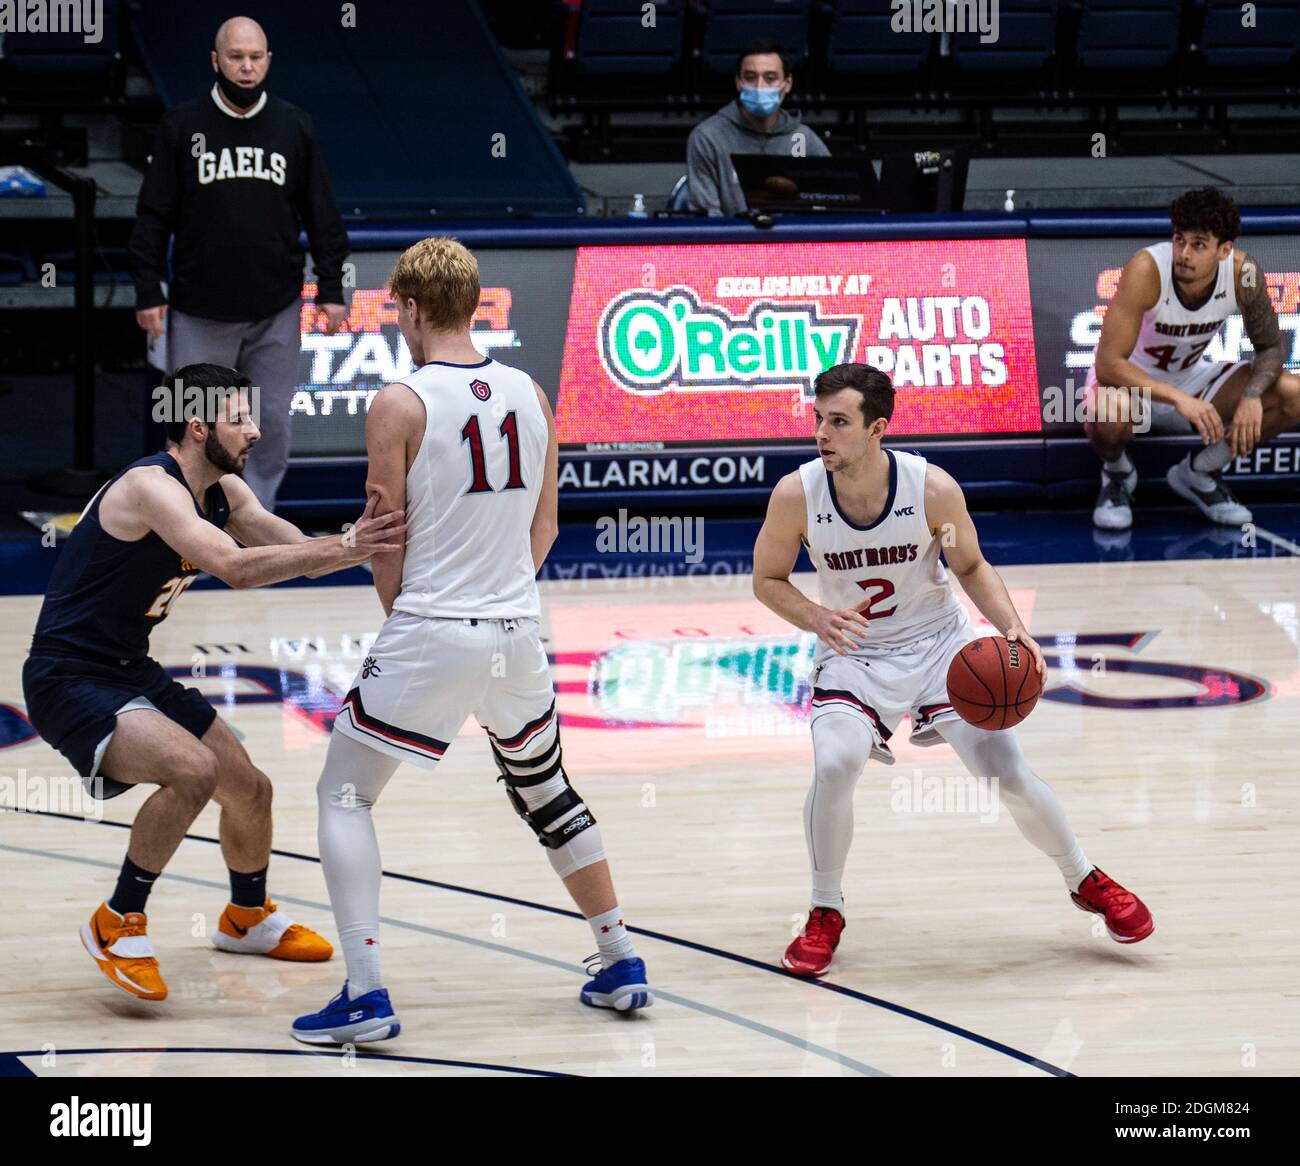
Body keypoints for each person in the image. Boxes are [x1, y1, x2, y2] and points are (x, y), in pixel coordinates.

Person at [291, 238, 653, 1045]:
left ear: (413, 309)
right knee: (547, 790)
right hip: (518, 629)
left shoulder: (400, 399)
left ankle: (366, 992)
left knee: (343, 792)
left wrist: (410, 617)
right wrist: (498, 598)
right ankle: (621, 956)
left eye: (398, 311)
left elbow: (383, 535)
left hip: (432, 625)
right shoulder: (529, 389)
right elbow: (548, 523)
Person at [752, 362, 1153, 977]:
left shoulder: (930, 488)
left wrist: (1011, 627)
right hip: (855, 651)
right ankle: (825, 909)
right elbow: (767, 580)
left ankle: (1083, 878)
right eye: (818, 420)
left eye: (838, 422)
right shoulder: (796, 494)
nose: (822, 434)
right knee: (835, 764)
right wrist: (815, 616)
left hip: (939, 645)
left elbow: (970, 567)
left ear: (877, 428)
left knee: (1006, 772)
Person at [20, 364, 404, 1002]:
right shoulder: (151, 488)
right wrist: (343, 548)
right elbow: (234, 566)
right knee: (194, 771)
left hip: (126, 667)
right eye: (239, 420)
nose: (255, 431)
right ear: (198, 427)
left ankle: (245, 918)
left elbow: (294, 552)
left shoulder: (224, 490)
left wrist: (366, 546)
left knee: (250, 790)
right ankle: (117, 923)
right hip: (68, 675)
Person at [128, 15, 351, 512]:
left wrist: (332, 287)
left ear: (268, 60)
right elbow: (153, 213)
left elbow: (322, 214)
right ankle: (187, 528)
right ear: (216, 60)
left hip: (276, 307)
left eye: (256, 57)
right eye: (236, 57)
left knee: (268, 424)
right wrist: (147, 287)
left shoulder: (294, 125)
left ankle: (254, 526)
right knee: (194, 427)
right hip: (199, 309)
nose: (247, 67)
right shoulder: (182, 125)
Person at [1086, 186, 1300, 530]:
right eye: (1179, 239)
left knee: (1293, 393)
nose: (1184, 253)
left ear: (1224, 250)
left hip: (1189, 377)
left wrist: (1252, 395)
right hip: (1130, 382)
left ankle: (1201, 472)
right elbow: (1108, 365)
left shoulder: (1243, 273)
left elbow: (1272, 347)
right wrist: (1179, 399)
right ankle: (1117, 475)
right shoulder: (1146, 269)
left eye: (1198, 244)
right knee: (1106, 410)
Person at [686, 38, 829, 217]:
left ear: (788, 83)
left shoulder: (802, 139)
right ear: (738, 82)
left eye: (770, 78)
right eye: (750, 78)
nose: (760, 87)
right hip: (733, 241)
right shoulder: (708, 137)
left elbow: (831, 204)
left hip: (791, 242)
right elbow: (706, 216)